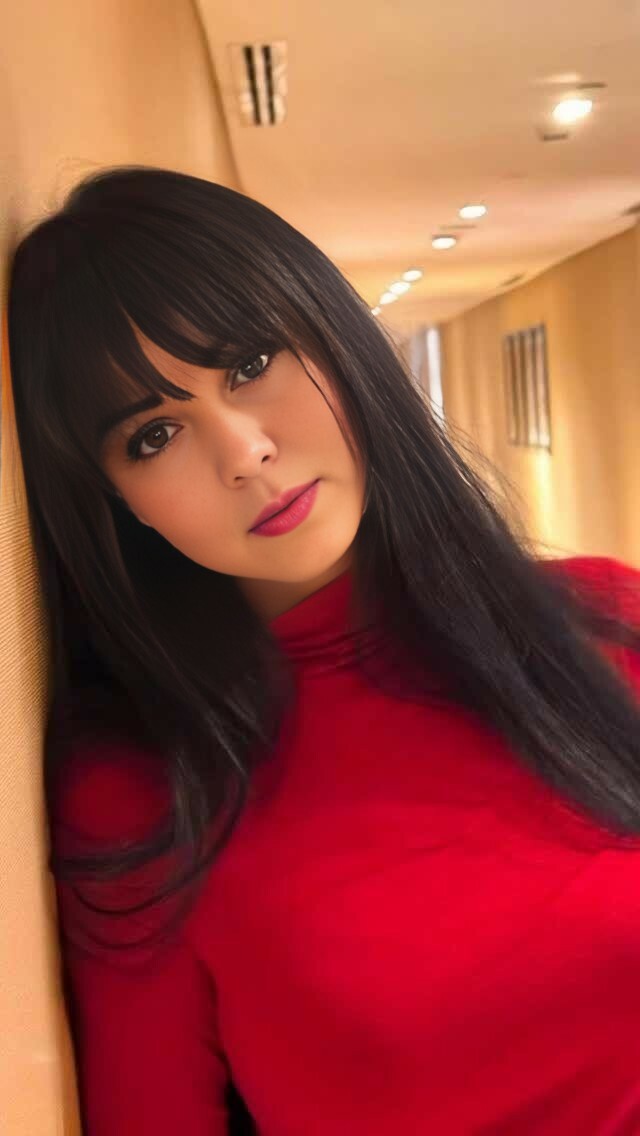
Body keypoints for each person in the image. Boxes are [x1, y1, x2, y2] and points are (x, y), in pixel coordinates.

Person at [6, 165, 640, 1136]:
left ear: (337, 342)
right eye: (155, 433)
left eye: (250, 362)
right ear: (116, 503)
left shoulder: (603, 616)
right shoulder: (144, 790)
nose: (243, 452)